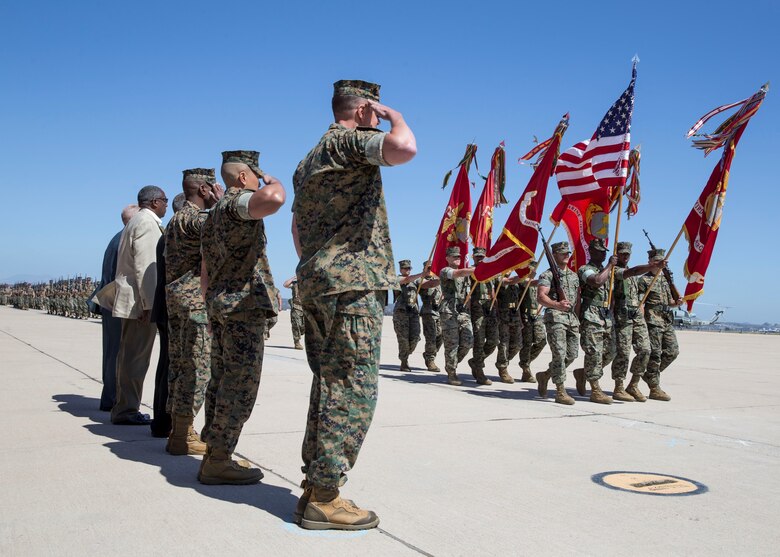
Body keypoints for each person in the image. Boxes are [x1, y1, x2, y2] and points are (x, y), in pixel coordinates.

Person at [291, 79, 416, 530]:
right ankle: (326, 495)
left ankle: (314, 486)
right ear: (364, 108)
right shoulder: (349, 140)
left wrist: (320, 263)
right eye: (375, 107)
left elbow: (297, 233)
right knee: (353, 388)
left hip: (319, 282)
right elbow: (404, 149)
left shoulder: (307, 160)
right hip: (353, 284)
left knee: (328, 383)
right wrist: (395, 118)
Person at [199, 150, 284, 484]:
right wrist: (271, 180)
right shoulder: (236, 204)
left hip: (221, 306)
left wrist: (208, 306)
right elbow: (275, 199)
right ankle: (219, 459)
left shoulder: (213, 214)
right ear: (243, 177)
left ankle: (214, 452)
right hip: (240, 309)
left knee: (220, 383)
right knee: (240, 386)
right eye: (255, 173)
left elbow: (205, 269)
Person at [164, 171, 223, 454]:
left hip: (178, 301)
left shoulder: (175, 219)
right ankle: (184, 433)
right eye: (212, 187)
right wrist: (222, 203)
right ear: (203, 189)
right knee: (197, 369)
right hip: (194, 303)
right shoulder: (198, 219)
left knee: (180, 366)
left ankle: (178, 429)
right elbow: (227, 233)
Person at [110, 186, 168, 425]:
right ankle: (126, 410)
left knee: (129, 356)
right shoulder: (146, 222)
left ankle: (124, 407)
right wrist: (149, 305)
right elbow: (147, 267)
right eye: (164, 200)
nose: (166, 204)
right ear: (155, 202)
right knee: (136, 358)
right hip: (140, 302)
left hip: (133, 298)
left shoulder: (136, 221)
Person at [97, 204, 139, 411]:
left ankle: (109, 398)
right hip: (119, 303)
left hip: (110, 302)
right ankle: (114, 399)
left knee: (112, 352)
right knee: (120, 353)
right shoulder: (125, 239)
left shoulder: (116, 238)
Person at [610, 242, 664, 402]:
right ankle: (618, 387)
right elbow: (632, 272)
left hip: (636, 315)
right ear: (617, 254)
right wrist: (653, 265)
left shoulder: (632, 275)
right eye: (622, 253)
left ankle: (633, 384)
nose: (625, 256)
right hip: (622, 317)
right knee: (623, 353)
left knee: (645, 350)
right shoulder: (616, 271)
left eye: (628, 254)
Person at [572, 238, 618, 404]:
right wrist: (610, 266)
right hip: (590, 316)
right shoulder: (585, 269)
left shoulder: (607, 271)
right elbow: (597, 281)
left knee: (610, 352)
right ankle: (595, 389)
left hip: (605, 317)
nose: (603, 253)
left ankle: (584, 373)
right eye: (599, 251)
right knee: (594, 353)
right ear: (591, 252)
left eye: (604, 251)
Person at [536, 241, 580, 405]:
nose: (566, 255)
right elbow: (541, 297)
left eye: (567, 253)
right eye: (562, 253)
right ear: (554, 255)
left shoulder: (574, 276)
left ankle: (546, 375)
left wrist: (578, 317)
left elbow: (577, 300)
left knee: (572, 354)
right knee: (559, 354)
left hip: (572, 319)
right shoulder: (547, 275)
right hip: (555, 319)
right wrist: (556, 305)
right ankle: (560, 391)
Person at [639, 248, 682, 401]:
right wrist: (642, 322)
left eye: (662, 261)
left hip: (666, 320)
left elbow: (669, 302)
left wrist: (676, 303)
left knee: (672, 351)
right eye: (656, 261)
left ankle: (649, 375)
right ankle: (654, 388)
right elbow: (641, 304)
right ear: (650, 262)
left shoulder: (664, 279)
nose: (660, 264)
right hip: (652, 321)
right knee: (655, 355)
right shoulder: (644, 280)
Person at [439, 246, 477, 386]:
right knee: (452, 343)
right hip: (449, 311)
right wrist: (476, 269)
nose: (457, 259)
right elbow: (458, 273)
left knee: (468, 341)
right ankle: (452, 372)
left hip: (462, 311)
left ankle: (452, 363)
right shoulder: (445, 271)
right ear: (447, 258)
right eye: (454, 257)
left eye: (459, 257)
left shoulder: (465, 274)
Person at [392, 260, 438, 371]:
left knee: (415, 338)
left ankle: (406, 354)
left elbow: (429, 284)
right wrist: (422, 274)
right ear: (400, 269)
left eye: (409, 268)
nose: (407, 270)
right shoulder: (397, 279)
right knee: (403, 339)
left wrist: (441, 279)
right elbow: (407, 280)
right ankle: (404, 361)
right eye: (405, 268)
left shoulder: (416, 282)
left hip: (413, 313)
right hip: (401, 314)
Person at [468, 247, 500, 385]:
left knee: (493, 341)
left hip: (490, 311)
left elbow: (493, 292)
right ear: (473, 257)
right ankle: (479, 372)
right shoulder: (469, 272)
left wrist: (496, 309)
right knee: (479, 343)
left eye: (482, 257)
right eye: (477, 257)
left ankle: (475, 361)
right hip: (477, 312)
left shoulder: (490, 273)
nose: (480, 259)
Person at [494, 272, 525, 383]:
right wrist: (524, 275)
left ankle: (504, 360)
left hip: (515, 316)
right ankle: (502, 368)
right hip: (503, 317)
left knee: (518, 345)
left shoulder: (516, 284)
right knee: (504, 344)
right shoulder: (498, 278)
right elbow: (508, 281)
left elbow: (519, 300)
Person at [517, 261, 543, 383]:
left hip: (535, 315)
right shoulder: (523, 282)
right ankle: (525, 368)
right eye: (531, 269)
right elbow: (529, 283)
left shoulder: (535, 283)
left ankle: (526, 362)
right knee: (527, 344)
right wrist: (544, 282)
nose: (533, 271)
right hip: (525, 315)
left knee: (541, 341)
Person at [419, 260, 443, 372]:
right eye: (428, 268)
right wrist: (442, 279)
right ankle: (430, 360)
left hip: (440, 313)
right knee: (431, 338)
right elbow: (429, 285)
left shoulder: (437, 279)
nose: (430, 270)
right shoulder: (422, 280)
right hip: (428, 313)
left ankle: (429, 354)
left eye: (432, 268)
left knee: (440, 337)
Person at [283, 275, 305, 350]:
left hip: (306, 308)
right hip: (296, 307)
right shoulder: (294, 284)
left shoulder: (308, 283)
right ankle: (297, 342)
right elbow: (285, 285)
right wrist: (292, 278)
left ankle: (299, 334)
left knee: (304, 326)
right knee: (296, 325)